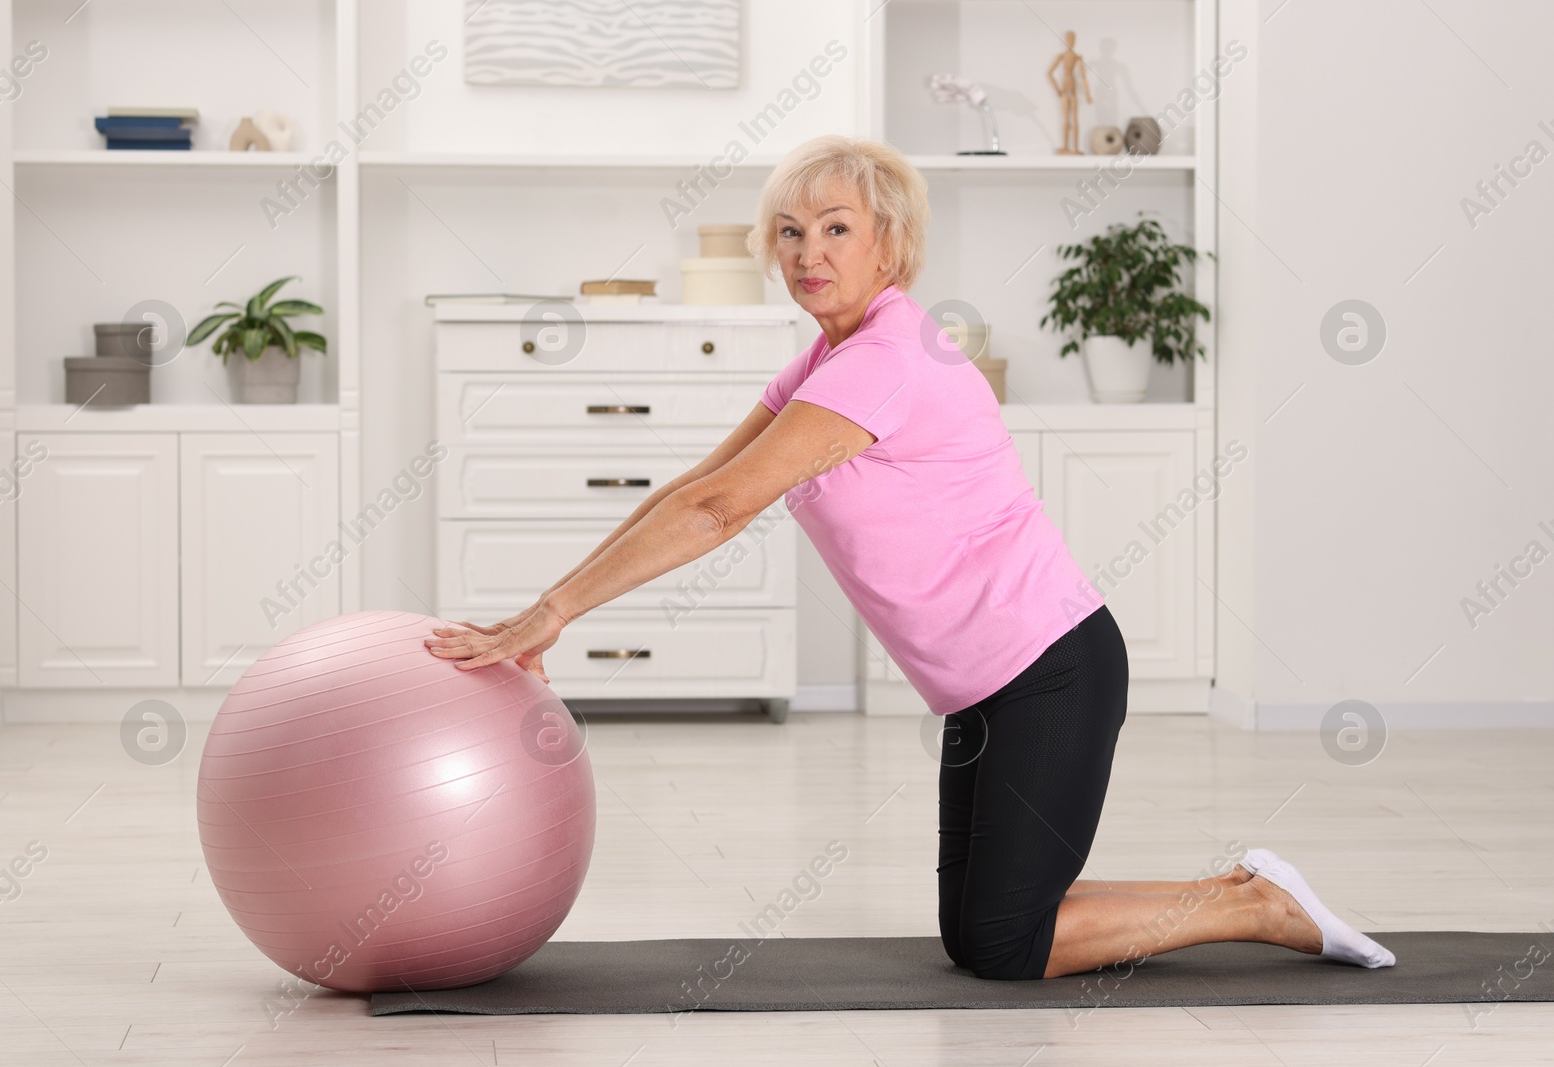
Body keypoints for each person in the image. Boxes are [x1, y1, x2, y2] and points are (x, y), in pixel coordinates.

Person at [423, 134, 1396, 980]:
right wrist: (548, 605)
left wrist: (553, 613)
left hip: (1047, 667)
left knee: (1009, 944)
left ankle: (1258, 906)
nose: (809, 251)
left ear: (891, 245)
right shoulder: (825, 361)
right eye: (791, 231)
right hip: (980, 692)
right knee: (977, 937)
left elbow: (720, 510)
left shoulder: (888, 357)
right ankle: (1239, 887)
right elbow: (691, 488)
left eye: (837, 228)